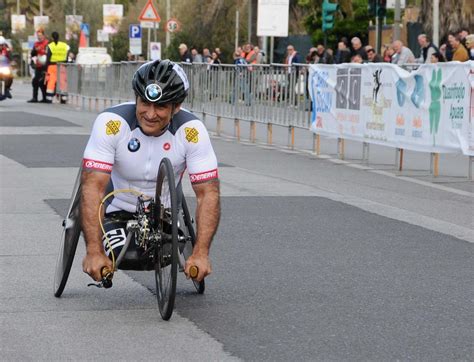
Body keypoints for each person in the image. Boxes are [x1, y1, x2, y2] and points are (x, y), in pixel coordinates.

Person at [81, 59, 220, 283]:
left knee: (155, 257)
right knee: (127, 256)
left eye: (161, 106)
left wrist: (201, 253)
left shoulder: (192, 131)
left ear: (177, 107)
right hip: (116, 207)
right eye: (144, 103)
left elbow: (208, 193)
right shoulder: (111, 123)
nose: (150, 114)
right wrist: (94, 251)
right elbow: (92, 187)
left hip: (162, 213)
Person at [45, 31, 69, 103]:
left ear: (52, 38)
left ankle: (49, 97)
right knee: (62, 81)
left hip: (52, 66)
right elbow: (67, 56)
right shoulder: (64, 45)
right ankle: (64, 97)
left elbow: (48, 58)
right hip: (62, 65)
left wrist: (46, 68)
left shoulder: (50, 46)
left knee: (51, 81)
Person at [28, 29, 49, 103]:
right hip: (38, 65)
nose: (39, 37)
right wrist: (35, 51)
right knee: (35, 81)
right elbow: (32, 54)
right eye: (38, 36)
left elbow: (49, 53)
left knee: (43, 82)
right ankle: (34, 97)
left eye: (40, 35)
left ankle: (45, 97)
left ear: (43, 35)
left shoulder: (47, 43)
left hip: (45, 65)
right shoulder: (36, 44)